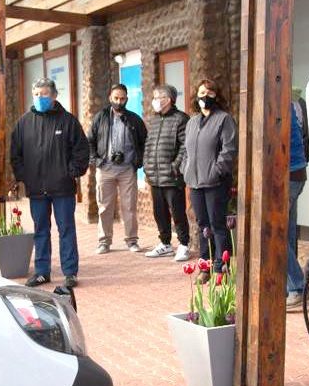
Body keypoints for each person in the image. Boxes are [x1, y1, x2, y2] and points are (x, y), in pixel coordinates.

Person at [10, 78, 90, 289]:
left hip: (62, 188)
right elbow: (15, 154)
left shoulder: (68, 121)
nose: (40, 98)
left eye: (44, 94)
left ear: (54, 95)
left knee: (66, 230)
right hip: (36, 188)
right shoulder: (24, 123)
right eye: (36, 94)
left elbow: (82, 150)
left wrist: (71, 172)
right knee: (41, 230)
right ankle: (42, 272)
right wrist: (24, 176)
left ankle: (70, 272)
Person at [181, 78, 238, 277]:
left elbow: (228, 150)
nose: (206, 97)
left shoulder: (224, 119)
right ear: (196, 96)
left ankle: (221, 266)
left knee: (217, 224)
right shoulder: (192, 121)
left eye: (210, 93)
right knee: (202, 225)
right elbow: (186, 150)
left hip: (216, 182)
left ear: (217, 96)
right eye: (202, 93)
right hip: (195, 182)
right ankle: (205, 266)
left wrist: (216, 171)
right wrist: (185, 169)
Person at [87, 83, 147, 254]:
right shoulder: (100, 117)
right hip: (105, 168)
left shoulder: (134, 119)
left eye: (122, 99)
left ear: (127, 99)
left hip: (127, 169)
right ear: (110, 98)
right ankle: (104, 241)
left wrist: (138, 162)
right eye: (116, 98)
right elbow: (89, 141)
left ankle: (132, 240)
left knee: (129, 206)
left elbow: (144, 142)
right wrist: (96, 161)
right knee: (104, 206)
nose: (119, 102)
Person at [142, 84, 191, 262]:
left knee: (177, 213)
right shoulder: (154, 120)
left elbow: (185, 146)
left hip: (172, 177)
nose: (154, 101)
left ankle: (184, 244)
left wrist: (175, 166)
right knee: (159, 212)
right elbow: (148, 145)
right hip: (155, 176)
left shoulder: (181, 119)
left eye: (157, 97)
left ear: (168, 99)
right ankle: (165, 244)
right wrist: (147, 165)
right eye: (154, 97)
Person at [285, 91, 309, 310]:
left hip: (287, 176)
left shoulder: (277, 107)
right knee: (287, 234)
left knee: (275, 236)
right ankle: (291, 287)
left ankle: (297, 287)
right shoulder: (289, 105)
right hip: (295, 174)